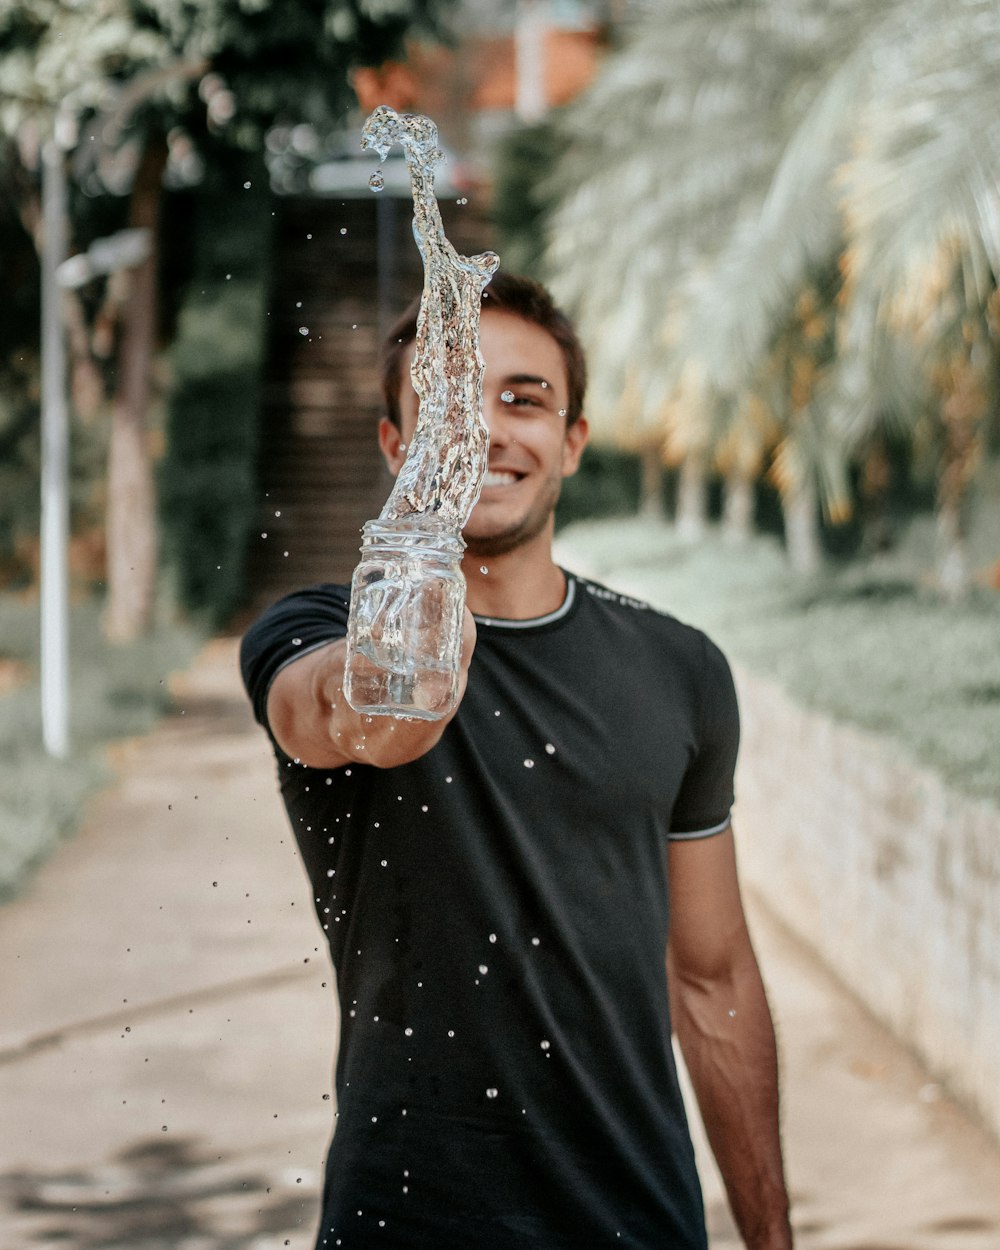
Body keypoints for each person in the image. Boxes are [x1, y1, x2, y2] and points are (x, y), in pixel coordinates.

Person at [240, 273, 793, 1250]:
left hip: (640, 1221)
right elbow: (354, 713)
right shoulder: (317, 630)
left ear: (572, 440)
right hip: (403, 1223)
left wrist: (770, 1236)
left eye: (523, 399)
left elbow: (711, 980)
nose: (487, 430)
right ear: (395, 445)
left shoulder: (679, 667)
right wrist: (409, 641)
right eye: (447, 401)